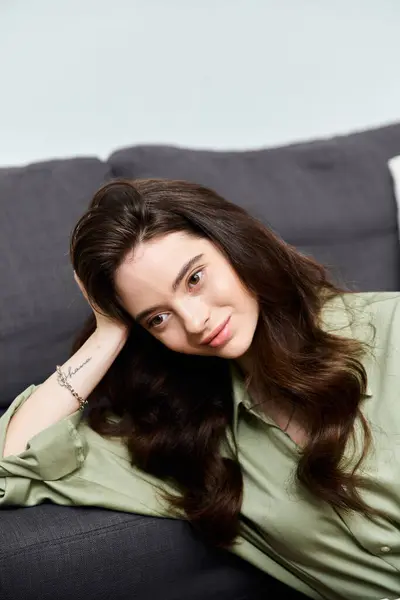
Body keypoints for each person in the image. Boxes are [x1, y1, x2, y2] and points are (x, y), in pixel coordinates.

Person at [1, 178, 399, 600]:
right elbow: (10, 459)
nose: (194, 322)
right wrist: (108, 332)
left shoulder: (390, 330)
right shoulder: (190, 441)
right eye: (157, 318)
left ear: (234, 243)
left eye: (194, 279)